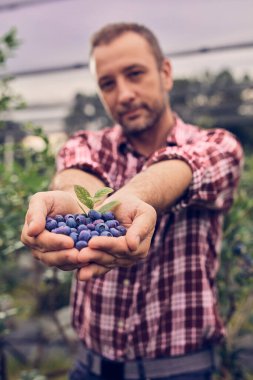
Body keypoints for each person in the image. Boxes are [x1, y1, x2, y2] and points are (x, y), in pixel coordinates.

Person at [21, 23, 243, 380]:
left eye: (135, 74)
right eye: (108, 83)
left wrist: (133, 197)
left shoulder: (218, 144)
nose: (123, 94)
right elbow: (75, 171)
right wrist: (74, 198)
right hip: (90, 368)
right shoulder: (87, 144)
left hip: (181, 371)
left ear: (165, 73)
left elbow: (185, 168)